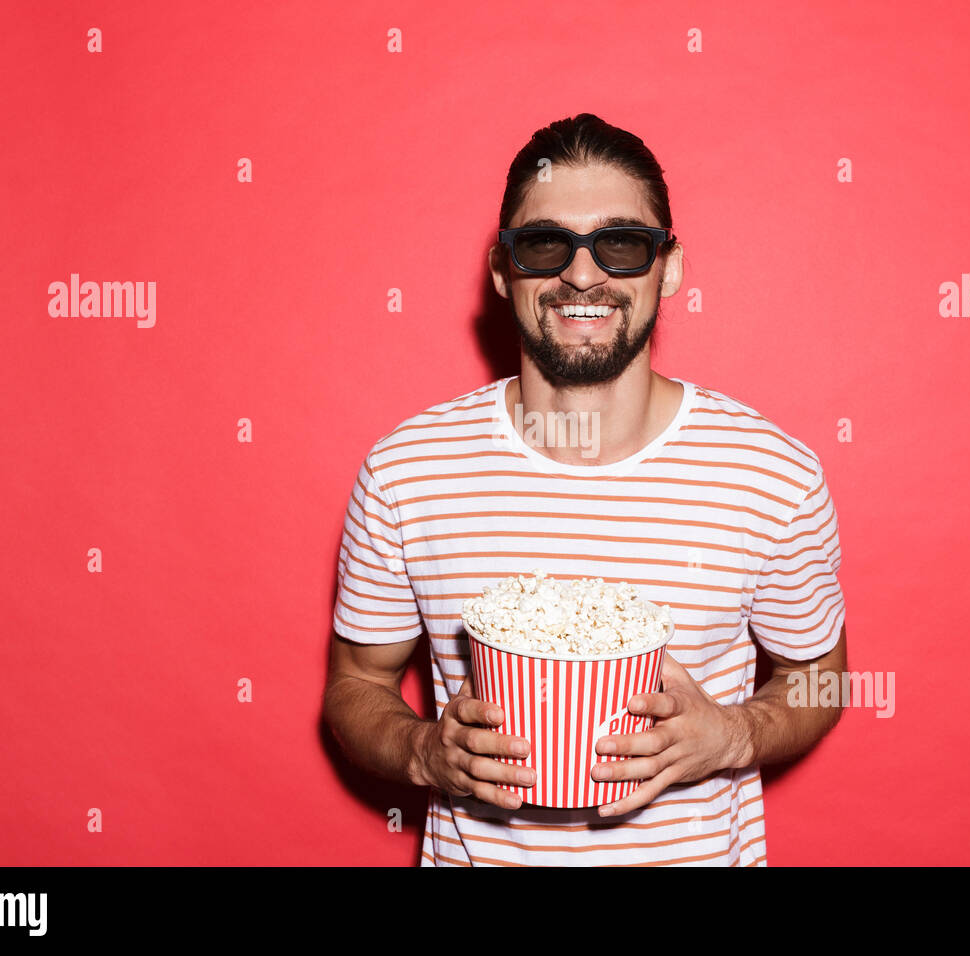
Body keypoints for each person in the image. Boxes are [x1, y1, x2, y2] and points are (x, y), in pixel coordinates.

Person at [323, 113, 848, 866]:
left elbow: (818, 681)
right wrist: (422, 751)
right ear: (502, 270)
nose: (582, 274)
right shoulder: (407, 470)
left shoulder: (772, 475)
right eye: (545, 245)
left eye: (621, 244)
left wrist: (733, 735)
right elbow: (355, 683)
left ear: (668, 268)